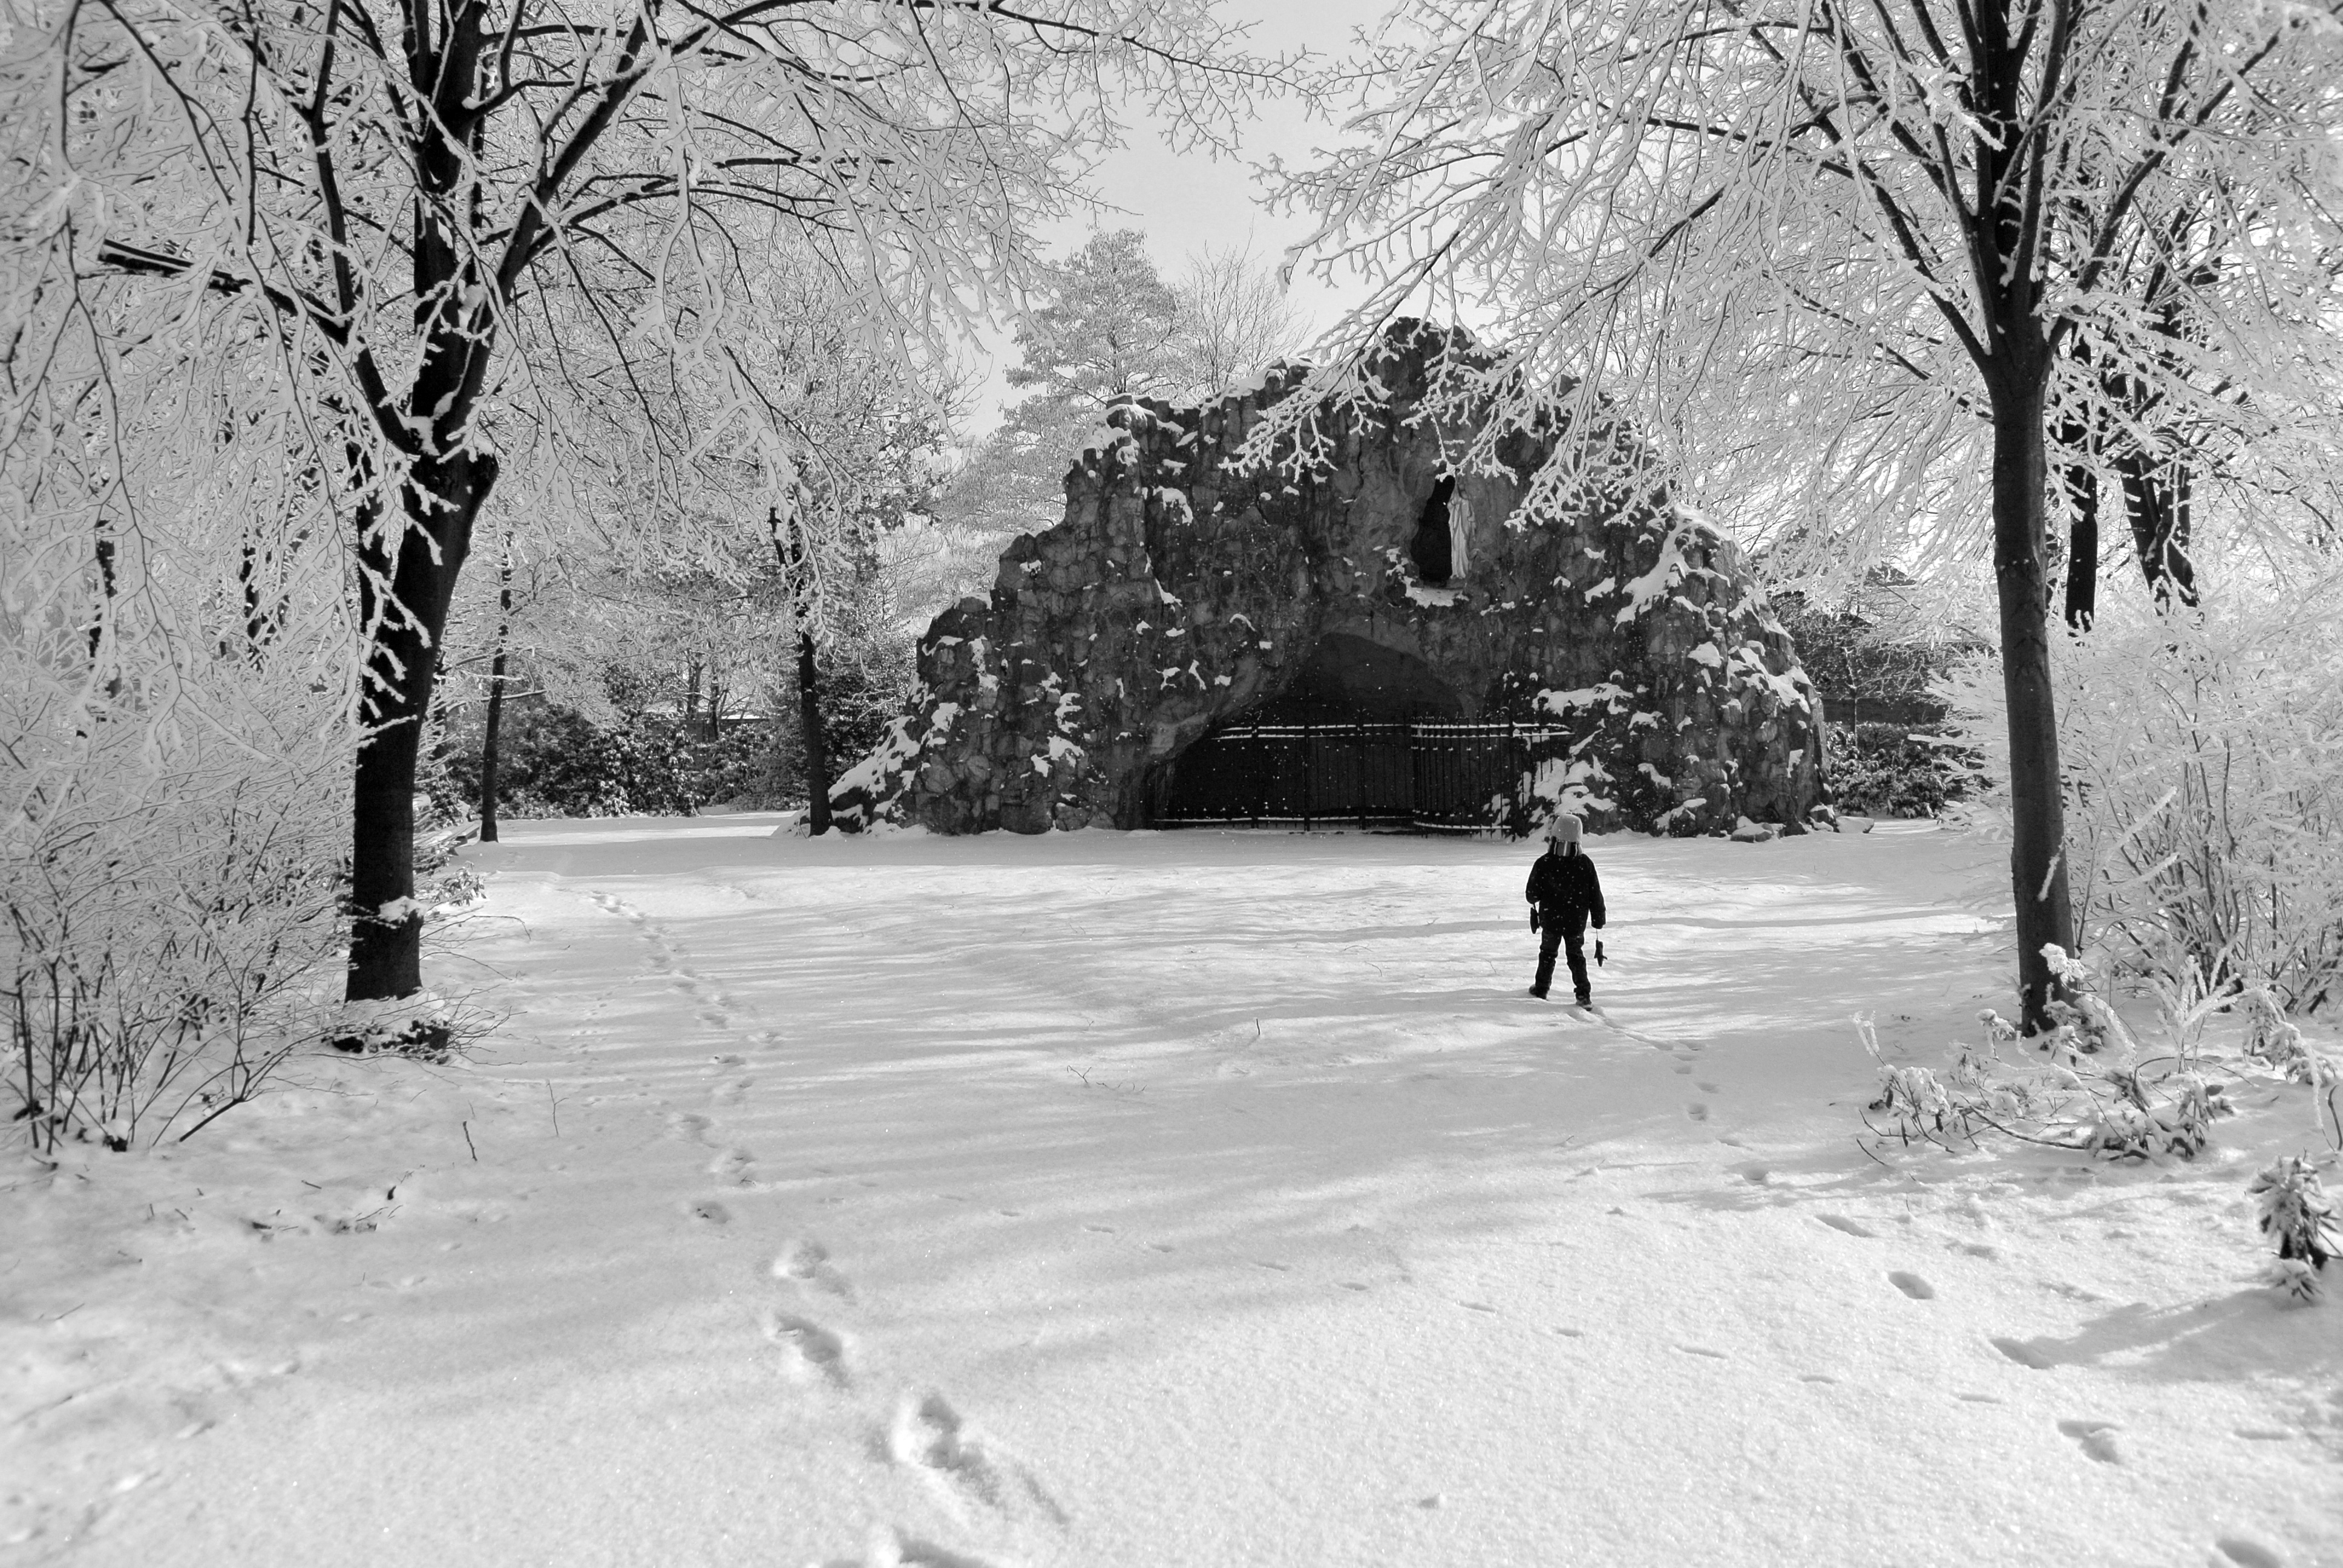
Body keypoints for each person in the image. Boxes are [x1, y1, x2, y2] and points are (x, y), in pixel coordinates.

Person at [1526, 812, 1606, 1004]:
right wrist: (1598, 918)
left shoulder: (1545, 862)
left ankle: (1541, 988)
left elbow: (1531, 894)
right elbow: (1595, 894)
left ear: (1555, 835)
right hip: (1575, 921)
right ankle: (1583, 994)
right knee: (1576, 956)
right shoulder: (1585, 864)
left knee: (1547, 954)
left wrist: (1538, 898)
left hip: (1550, 920)